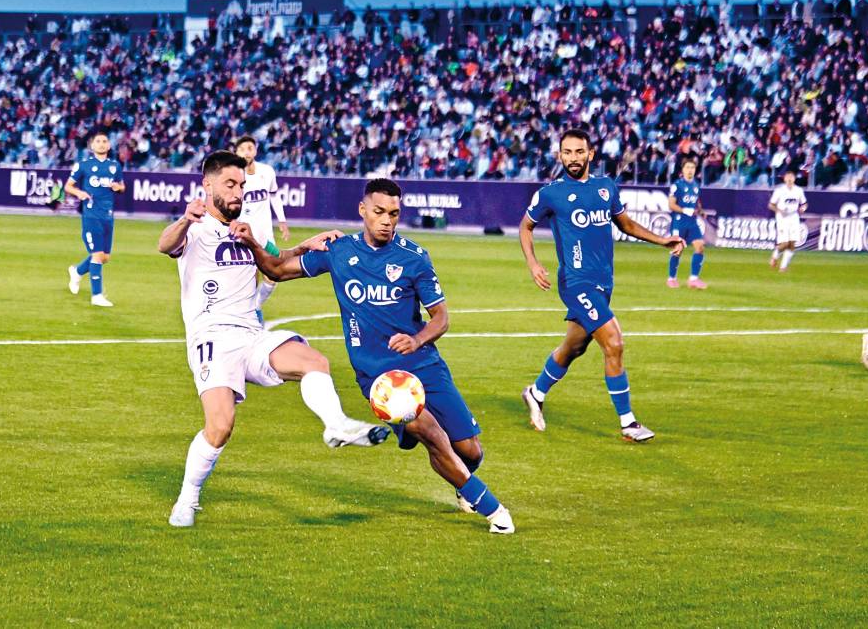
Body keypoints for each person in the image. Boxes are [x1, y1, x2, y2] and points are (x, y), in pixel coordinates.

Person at [232, 178, 515, 534]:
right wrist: (253, 242)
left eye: (394, 214)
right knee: (431, 433)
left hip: (425, 365)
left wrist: (417, 340)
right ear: (363, 210)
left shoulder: (414, 257)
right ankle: (493, 509)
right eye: (379, 212)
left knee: (470, 452)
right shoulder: (339, 251)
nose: (387, 220)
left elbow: (441, 317)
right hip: (380, 376)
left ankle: (456, 476)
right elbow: (275, 270)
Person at [158, 151, 389, 528]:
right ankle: (187, 498)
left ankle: (336, 425)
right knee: (220, 426)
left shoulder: (249, 226)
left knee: (314, 361)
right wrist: (185, 218)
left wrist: (304, 246)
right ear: (208, 185)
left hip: (250, 333)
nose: (238, 193)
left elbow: (276, 264)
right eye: (230, 185)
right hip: (212, 339)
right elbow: (165, 246)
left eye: (242, 186)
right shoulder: (194, 228)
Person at [518, 129, 685, 442]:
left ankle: (536, 392)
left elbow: (626, 225)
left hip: (603, 283)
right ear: (559, 155)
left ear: (590, 154)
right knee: (614, 342)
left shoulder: (606, 188)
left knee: (574, 347)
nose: (573, 158)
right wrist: (533, 264)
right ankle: (628, 423)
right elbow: (525, 227)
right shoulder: (550, 193)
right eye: (567, 152)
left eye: (579, 152)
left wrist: (662, 240)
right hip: (575, 282)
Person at [234, 135, 290, 323]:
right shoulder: (234, 176)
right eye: (242, 149)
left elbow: (274, 196)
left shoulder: (267, 172)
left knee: (274, 274)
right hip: (242, 236)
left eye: (249, 148)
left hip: (265, 235)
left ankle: (255, 307)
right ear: (236, 153)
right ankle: (248, 314)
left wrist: (282, 221)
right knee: (250, 276)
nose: (246, 152)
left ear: (256, 151)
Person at [65, 132, 125, 307]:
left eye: (104, 141)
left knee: (104, 257)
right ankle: (97, 295)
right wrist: (79, 192)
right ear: (92, 146)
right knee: (97, 255)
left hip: (108, 216)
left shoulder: (115, 166)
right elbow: (68, 186)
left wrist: (117, 187)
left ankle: (77, 271)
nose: (101, 144)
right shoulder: (83, 165)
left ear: (108, 145)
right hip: (91, 215)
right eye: (97, 141)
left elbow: (122, 187)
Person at [666, 157, 708, 289]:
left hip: (692, 222)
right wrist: (685, 210)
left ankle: (693, 279)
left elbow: (697, 202)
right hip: (679, 222)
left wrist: (701, 211)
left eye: (693, 168)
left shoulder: (696, 185)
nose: (690, 170)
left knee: (700, 247)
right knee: (678, 250)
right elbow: (671, 205)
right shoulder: (677, 185)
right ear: (683, 170)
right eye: (688, 167)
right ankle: (672, 278)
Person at [768, 170, 808, 272]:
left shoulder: (798, 190)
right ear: (785, 179)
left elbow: (804, 203)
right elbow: (771, 205)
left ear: (794, 179)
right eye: (788, 177)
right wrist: (779, 211)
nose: (790, 179)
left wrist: (802, 209)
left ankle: (783, 267)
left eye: (791, 177)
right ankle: (775, 255)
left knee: (792, 243)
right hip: (782, 217)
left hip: (794, 216)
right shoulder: (779, 190)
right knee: (785, 243)